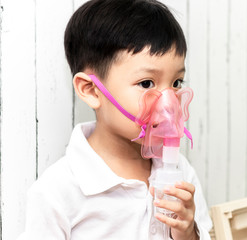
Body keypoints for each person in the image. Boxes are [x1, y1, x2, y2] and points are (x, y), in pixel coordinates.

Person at [18, 0, 213, 239]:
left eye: (176, 83)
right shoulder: (58, 191)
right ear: (91, 90)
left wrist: (188, 232)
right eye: (146, 83)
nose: (169, 103)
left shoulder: (180, 171)